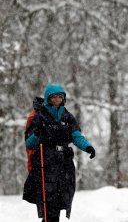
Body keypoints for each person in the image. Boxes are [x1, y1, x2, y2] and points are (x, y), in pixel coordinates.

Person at [23, 84, 96, 222]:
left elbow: (76, 136)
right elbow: (29, 143)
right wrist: (38, 134)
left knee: (60, 198)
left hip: (63, 163)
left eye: (60, 97)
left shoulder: (67, 117)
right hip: (45, 163)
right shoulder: (40, 116)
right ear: (47, 99)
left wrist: (87, 147)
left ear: (64, 99)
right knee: (48, 202)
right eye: (53, 97)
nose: (57, 100)